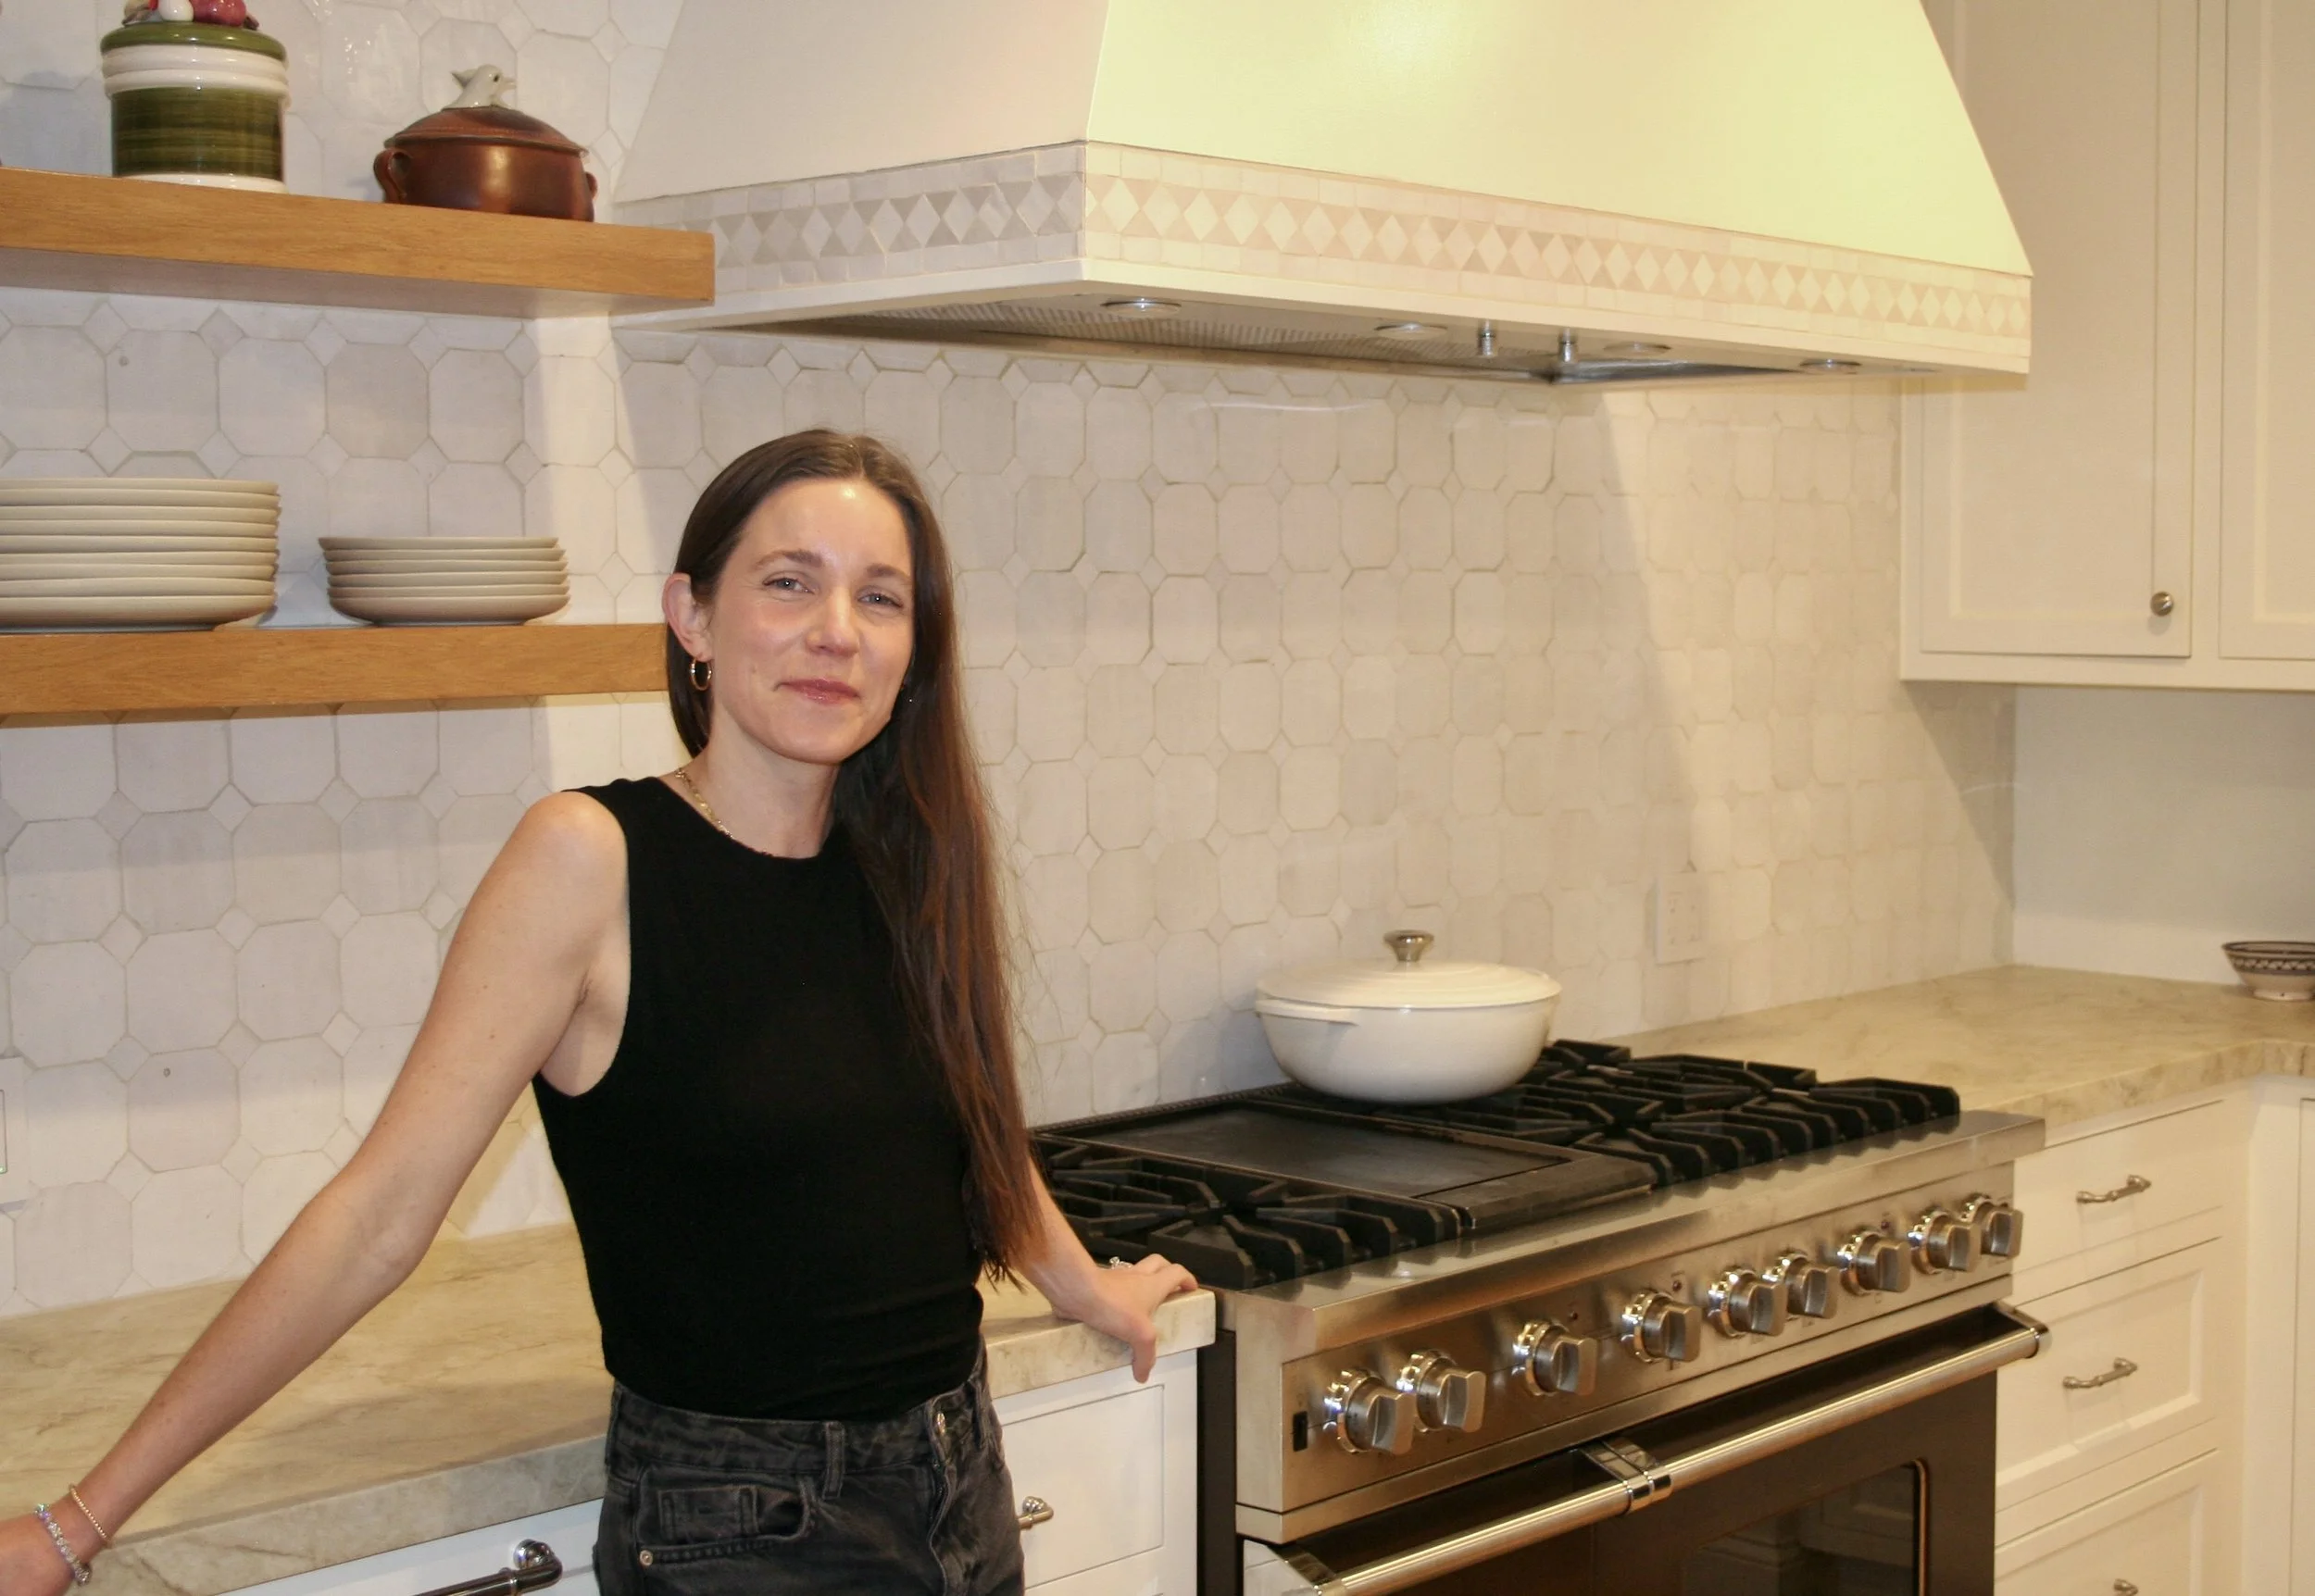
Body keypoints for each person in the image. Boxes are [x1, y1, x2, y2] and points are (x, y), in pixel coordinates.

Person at [0, 430, 1197, 1596]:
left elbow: (959, 1125)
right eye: (789, 583)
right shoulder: (590, 859)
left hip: (958, 1480)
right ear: (692, 616)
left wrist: (1083, 1283)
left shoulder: (906, 855)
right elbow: (378, 1217)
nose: (837, 632)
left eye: (880, 599)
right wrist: (79, 1519)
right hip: (744, 1529)